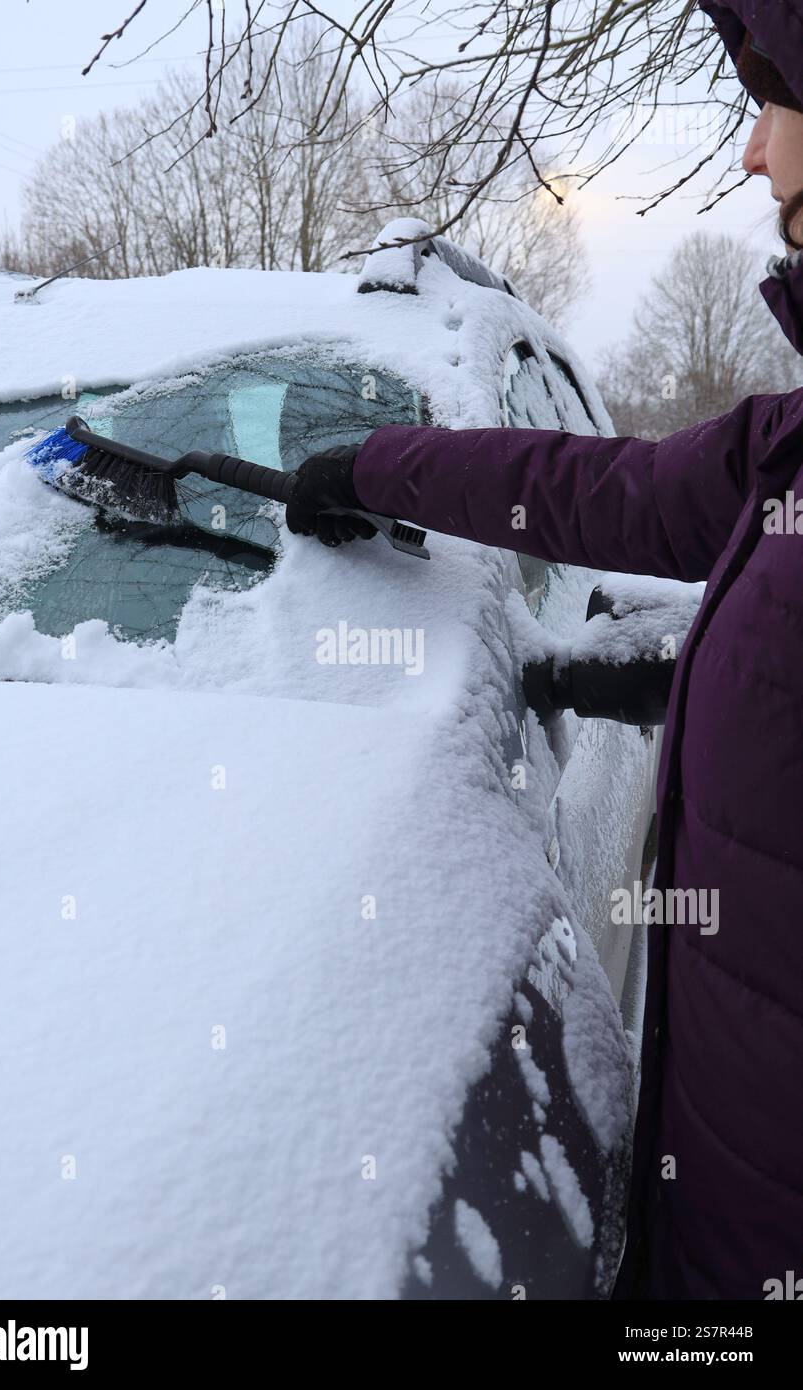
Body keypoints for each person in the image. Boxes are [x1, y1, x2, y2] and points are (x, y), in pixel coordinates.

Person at [285, 1, 803, 1300]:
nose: (750, 153)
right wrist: (374, 466)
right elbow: (604, 494)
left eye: (775, 102)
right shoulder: (787, 444)